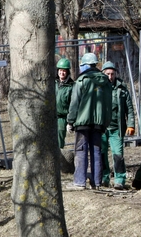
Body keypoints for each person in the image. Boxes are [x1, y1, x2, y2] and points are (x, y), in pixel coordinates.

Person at [66, 52, 113, 190]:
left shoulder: (82, 80)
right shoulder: (105, 82)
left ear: (85, 65)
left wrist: (70, 121)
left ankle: (80, 182)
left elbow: (74, 104)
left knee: (81, 150)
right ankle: (96, 182)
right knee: (96, 151)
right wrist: (105, 122)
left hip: (82, 123)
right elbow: (109, 105)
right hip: (99, 124)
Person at [101, 61, 136, 190]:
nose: (110, 76)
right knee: (102, 153)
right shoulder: (99, 87)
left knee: (118, 155)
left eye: (112, 74)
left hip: (117, 128)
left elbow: (130, 109)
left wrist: (131, 124)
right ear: (103, 74)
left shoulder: (122, 88)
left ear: (115, 74)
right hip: (102, 128)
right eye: (107, 74)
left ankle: (119, 180)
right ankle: (103, 178)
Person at [55, 58, 75, 149]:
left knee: (59, 142)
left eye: (64, 71)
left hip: (62, 119)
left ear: (67, 72)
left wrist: (70, 122)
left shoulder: (71, 86)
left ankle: (58, 160)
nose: (62, 73)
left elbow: (73, 105)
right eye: (60, 70)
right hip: (50, 116)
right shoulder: (53, 83)